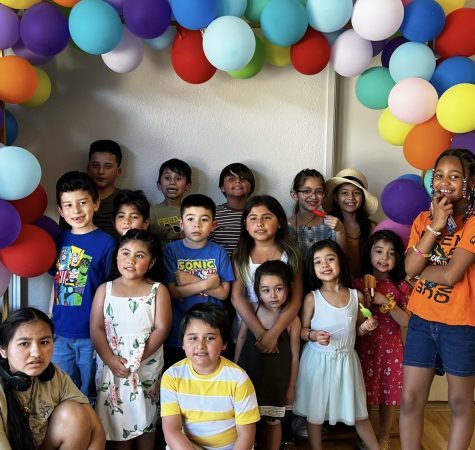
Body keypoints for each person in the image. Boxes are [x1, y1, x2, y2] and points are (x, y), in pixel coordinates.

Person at [400, 148, 475, 450]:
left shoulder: (473, 224)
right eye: (439, 175)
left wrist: (418, 271)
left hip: (461, 325)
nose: (445, 182)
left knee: (459, 401)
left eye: (455, 176)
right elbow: (407, 268)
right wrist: (435, 225)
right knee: (410, 399)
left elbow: (450, 275)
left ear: (471, 182)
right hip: (421, 321)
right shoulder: (423, 220)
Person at [294, 240, 379, 450]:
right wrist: (314, 335)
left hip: (347, 361)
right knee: (315, 413)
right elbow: (302, 331)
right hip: (318, 361)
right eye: (317, 262)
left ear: (340, 261)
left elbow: (357, 330)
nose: (325, 265)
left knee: (357, 410)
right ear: (312, 269)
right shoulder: (311, 298)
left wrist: (367, 327)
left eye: (330, 259)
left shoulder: (355, 296)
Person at [90, 229, 171, 449]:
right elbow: (96, 328)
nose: (130, 260)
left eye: (139, 255)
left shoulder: (157, 290)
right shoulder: (104, 290)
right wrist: (110, 360)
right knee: (116, 418)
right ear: (116, 256)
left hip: (146, 362)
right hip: (111, 362)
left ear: (152, 262)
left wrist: (138, 358)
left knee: (145, 415)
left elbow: (162, 328)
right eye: (125, 253)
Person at [49, 171, 116, 400]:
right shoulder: (59, 240)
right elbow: (56, 281)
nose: (75, 211)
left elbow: (110, 289)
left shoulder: (107, 243)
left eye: (82, 203)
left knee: (90, 392)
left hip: (92, 333)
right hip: (59, 332)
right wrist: (50, 315)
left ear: (95, 204)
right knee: (62, 390)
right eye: (68, 205)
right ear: (60, 210)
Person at [0, 307, 105, 450]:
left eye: (44, 342)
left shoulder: (54, 374)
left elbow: (96, 429)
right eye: (24, 343)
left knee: (75, 413)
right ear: (3, 351)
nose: (36, 353)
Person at [161, 303, 260, 450]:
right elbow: (172, 430)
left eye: (210, 338)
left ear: (224, 343)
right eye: (193, 338)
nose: (200, 345)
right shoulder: (172, 376)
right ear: (182, 343)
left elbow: (246, 436)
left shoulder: (238, 379)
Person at [353, 230, 411, 450]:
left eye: (391, 253)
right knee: (364, 393)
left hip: (392, 349)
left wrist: (385, 302)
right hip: (364, 347)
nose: (384, 258)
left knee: (389, 395)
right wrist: (365, 304)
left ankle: (385, 435)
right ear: (369, 253)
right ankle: (364, 435)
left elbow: (406, 321)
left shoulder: (401, 286)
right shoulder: (357, 284)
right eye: (378, 251)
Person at [163, 194, 234, 368]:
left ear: (213, 225)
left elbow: (224, 293)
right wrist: (208, 283)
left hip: (213, 328)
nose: (197, 225)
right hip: (179, 330)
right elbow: (173, 292)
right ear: (181, 224)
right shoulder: (171, 251)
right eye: (190, 219)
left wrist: (191, 279)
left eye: (204, 219)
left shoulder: (219, 252)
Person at [235, 260, 301, 450]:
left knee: (274, 421)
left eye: (278, 288)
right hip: (250, 377)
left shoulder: (291, 319)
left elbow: (295, 356)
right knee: (247, 421)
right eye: (265, 290)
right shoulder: (253, 309)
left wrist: (291, 387)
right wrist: (234, 369)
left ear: (288, 288)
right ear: (257, 290)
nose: (273, 295)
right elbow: (240, 339)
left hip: (276, 381)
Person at [231, 195, 302, 353]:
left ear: (280, 222)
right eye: (253, 218)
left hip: (283, 328)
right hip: (248, 327)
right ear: (245, 225)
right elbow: (237, 296)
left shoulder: (291, 255)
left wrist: (274, 333)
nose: (259, 224)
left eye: (267, 217)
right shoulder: (241, 255)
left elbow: (296, 298)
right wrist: (261, 334)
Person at [60, 140, 123, 237]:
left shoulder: (127, 201)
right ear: (88, 168)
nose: (101, 171)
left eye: (108, 166)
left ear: (118, 172)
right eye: (95, 165)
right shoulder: (72, 201)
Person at [324, 169, 378, 276]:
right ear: (335, 197)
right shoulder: (327, 225)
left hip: (365, 285)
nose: (351, 198)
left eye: (356, 193)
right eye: (344, 192)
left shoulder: (372, 227)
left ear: (362, 197)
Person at [288, 168, 346, 261]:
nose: (314, 196)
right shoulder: (287, 227)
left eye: (319, 192)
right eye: (307, 191)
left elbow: (342, 259)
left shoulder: (330, 224)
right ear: (295, 194)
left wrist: (340, 231)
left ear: (324, 195)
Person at [211, 162, 256, 256]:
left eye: (243, 179)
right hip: (219, 266)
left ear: (251, 187)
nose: (238, 181)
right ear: (222, 187)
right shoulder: (213, 213)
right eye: (231, 178)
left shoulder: (258, 213)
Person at [150, 158, 192, 248]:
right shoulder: (151, 212)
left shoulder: (193, 212)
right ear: (159, 185)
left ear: (188, 186)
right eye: (167, 178)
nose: (172, 182)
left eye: (178, 178)